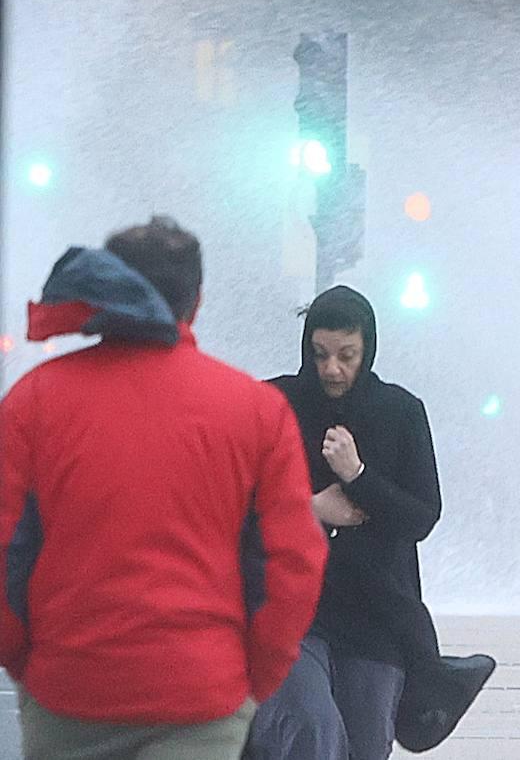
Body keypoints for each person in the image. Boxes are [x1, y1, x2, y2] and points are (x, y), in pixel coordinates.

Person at [0, 217, 327, 759]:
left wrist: (26, 663)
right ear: (196, 301)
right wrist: (252, 679)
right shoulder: (256, 412)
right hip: (201, 697)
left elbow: (6, 549)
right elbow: (292, 562)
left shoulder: (31, 404)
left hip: (69, 692)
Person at [248, 285, 481, 760]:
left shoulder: (400, 412)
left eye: (346, 356)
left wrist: (358, 476)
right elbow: (234, 501)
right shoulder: (274, 405)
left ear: (367, 349)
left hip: (376, 614)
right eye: (320, 354)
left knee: (366, 742)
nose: (332, 369)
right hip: (293, 606)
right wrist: (310, 508)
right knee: (308, 726)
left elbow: (421, 516)